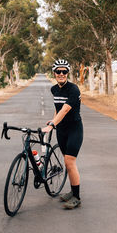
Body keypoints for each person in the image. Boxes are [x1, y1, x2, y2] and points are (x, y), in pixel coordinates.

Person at [42, 59, 83, 209]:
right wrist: (54, 122)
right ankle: (72, 192)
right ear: (54, 73)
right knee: (67, 162)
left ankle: (76, 197)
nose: (61, 74)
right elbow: (58, 109)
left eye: (64, 71)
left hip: (74, 129)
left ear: (67, 73)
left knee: (70, 162)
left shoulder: (73, 89)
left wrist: (53, 124)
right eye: (58, 71)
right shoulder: (54, 89)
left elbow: (65, 109)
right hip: (62, 130)